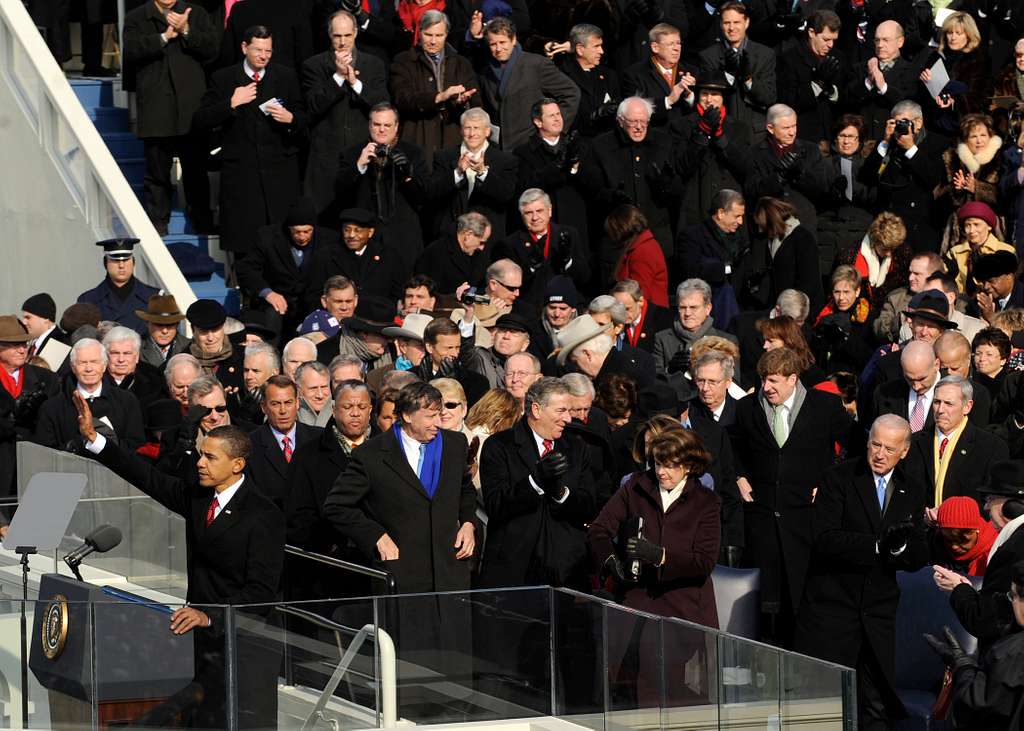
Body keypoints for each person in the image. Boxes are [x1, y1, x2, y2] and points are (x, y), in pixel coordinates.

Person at [74, 396, 284, 729]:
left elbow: (261, 592)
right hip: (202, 644)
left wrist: (207, 615)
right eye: (201, 454)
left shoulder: (263, 515)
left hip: (246, 646)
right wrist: (96, 441)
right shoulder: (199, 498)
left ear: (237, 465)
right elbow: (147, 477)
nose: (200, 463)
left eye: (211, 457)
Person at [794, 414, 928, 729]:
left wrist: (899, 549)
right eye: (875, 445)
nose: (880, 454)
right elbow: (824, 538)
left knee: (875, 706)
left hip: (878, 614)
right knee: (827, 705)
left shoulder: (912, 488)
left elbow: (919, 551)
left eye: (889, 449)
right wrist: (879, 546)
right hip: (833, 611)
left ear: (904, 451)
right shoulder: (838, 478)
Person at [730, 346, 854, 645]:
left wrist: (829, 483)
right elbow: (733, 448)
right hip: (762, 518)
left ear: (793, 379)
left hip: (806, 518)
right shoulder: (748, 408)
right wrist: (739, 477)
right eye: (763, 380)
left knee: (802, 595)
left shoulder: (825, 406)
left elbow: (854, 447)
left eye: (773, 380)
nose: (766, 387)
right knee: (764, 602)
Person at [323, 380, 476, 593]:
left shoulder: (455, 443)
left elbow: (465, 488)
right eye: (430, 417)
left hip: (449, 573)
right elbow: (336, 506)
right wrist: (376, 536)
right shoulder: (371, 455)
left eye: (439, 415)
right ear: (407, 416)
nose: (438, 424)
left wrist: (468, 522)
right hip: (402, 575)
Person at [193, 25, 306, 261]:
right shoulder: (223, 78)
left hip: (279, 177)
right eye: (258, 50)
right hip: (242, 179)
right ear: (244, 47)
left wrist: (291, 118)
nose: (264, 56)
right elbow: (200, 120)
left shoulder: (285, 76)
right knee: (246, 248)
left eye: (268, 51)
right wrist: (231, 103)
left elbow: (305, 119)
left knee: (282, 248)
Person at [478, 377, 595, 588]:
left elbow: (589, 505)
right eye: (561, 411)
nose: (568, 419)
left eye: (569, 411)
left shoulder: (577, 448)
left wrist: (562, 494)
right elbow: (496, 505)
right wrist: (535, 482)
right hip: (515, 571)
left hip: (565, 570)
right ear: (537, 409)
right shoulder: (500, 446)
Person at [122, 0, 218, 234]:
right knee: (157, 171)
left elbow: (212, 49)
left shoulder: (196, 13)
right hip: (156, 105)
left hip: (190, 105)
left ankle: (202, 219)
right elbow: (132, 51)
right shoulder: (137, 17)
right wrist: (164, 37)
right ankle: (158, 220)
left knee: (196, 169)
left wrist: (186, 31)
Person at [286, 379, 375, 598]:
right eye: (347, 407)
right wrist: (329, 548)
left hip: (377, 563)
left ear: (370, 410)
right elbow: (297, 513)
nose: (355, 413)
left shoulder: (387, 449)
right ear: (334, 410)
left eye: (361, 407)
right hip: (327, 567)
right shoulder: (309, 454)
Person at [301, 10, 388, 219]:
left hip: (362, 154)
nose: (342, 42)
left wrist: (355, 84)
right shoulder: (313, 66)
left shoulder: (374, 64)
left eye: (347, 35)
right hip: (325, 159)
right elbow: (313, 106)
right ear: (329, 36)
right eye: (337, 36)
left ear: (356, 33)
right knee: (325, 221)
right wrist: (338, 78)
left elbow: (382, 105)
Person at [934, 459, 1024, 657]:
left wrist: (958, 589)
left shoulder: (1013, 550)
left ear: (1011, 506)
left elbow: (986, 620)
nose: (985, 508)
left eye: (990, 499)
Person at [926, 561, 1024, 729]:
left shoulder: (1012, 654)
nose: (1011, 601)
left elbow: (976, 708)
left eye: (1012, 596)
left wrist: (963, 667)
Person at [584, 97, 679, 258]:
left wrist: (666, 185)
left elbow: (678, 190)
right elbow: (592, 190)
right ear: (620, 121)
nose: (639, 127)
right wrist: (612, 197)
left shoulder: (664, 143)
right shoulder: (600, 146)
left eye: (644, 122)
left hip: (656, 238)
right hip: (617, 238)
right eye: (633, 122)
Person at [235, 197, 339, 341]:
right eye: (297, 232)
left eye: (307, 231)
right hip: (276, 299)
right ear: (288, 228)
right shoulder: (267, 237)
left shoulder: (329, 239)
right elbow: (246, 269)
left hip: (313, 300)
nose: (302, 237)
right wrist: (268, 293)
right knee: (271, 318)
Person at [389, 10, 481, 166]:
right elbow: (402, 98)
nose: (433, 41)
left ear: (446, 35)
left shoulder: (461, 63)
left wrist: (463, 102)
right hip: (416, 138)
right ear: (420, 32)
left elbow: (477, 104)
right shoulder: (403, 61)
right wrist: (439, 97)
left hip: (453, 139)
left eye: (439, 36)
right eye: (428, 34)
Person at [902, 376, 1008, 508]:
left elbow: (992, 502)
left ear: (967, 407)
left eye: (948, 403)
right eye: (936, 402)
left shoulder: (991, 447)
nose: (940, 410)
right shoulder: (914, 443)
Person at [338, 103, 430, 253]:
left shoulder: (413, 153)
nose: (381, 129)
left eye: (387, 125)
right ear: (369, 125)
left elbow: (423, 197)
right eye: (377, 124)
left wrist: (408, 175)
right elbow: (341, 194)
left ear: (396, 126)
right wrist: (359, 165)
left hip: (403, 238)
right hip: (366, 237)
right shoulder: (352, 153)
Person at [476, 17, 580, 151]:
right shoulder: (485, 72)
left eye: (502, 42)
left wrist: (552, 128)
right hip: (500, 148)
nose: (498, 48)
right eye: (493, 44)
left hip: (532, 146)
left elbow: (571, 93)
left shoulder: (536, 64)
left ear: (513, 40)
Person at [858, 100, 946, 253]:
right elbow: (866, 177)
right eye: (895, 122)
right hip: (889, 227)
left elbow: (933, 179)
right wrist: (885, 142)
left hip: (920, 226)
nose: (899, 127)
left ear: (918, 123)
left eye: (904, 122)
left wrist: (910, 148)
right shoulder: (886, 145)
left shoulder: (937, 143)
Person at [35, 338, 146, 453]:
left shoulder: (127, 401)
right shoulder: (52, 407)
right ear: (73, 367)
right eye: (82, 363)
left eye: (94, 362)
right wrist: (77, 446)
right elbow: (45, 452)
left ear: (104, 366)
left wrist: (105, 445)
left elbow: (137, 445)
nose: (89, 368)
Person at [744, 104, 834, 241]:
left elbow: (822, 188)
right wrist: (778, 177)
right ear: (770, 128)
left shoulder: (810, 150)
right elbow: (752, 190)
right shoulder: (755, 153)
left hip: (804, 226)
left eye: (794, 126)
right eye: (786, 128)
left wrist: (800, 173)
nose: (792, 132)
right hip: (769, 228)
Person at [427, 107, 519, 241]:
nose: (471, 133)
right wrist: (458, 172)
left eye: (476, 128)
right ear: (461, 130)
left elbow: (506, 194)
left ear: (487, 131)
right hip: (452, 234)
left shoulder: (505, 160)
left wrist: (483, 172)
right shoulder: (444, 157)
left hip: (488, 238)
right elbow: (432, 191)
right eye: (467, 128)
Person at [494, 188, 590, 308]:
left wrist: (568, 261)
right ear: (521, 215)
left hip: (566, 306)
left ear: (549, 211)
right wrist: (531, 268)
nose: (535, 218)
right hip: (530, 308)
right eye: (529, 213)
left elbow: (584, 276)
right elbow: (508, 285)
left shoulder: (569, 234)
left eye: (539, 211)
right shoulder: (510, 244)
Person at [0, 316, 58, 511]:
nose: (22, 349)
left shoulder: (46, 379)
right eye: (14, 344)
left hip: (34, 467)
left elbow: (54, 423)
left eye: (24, 344)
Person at [513, 98, 591, 243]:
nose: (557, 119)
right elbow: (526, 187)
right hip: (543, 227)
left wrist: (574, 169)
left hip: (575, 220)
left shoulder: (579, 147)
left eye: (558, 114)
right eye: (551, 116)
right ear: (538, 122)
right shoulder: (524, 153)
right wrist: (556, 167)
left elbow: (590, 183)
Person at [697, 2, 776, 144]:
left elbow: (769, 97)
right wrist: (729, 75)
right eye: (727, 23)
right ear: (721, 25)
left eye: (736, 22)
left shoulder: (766, 54)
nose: (731, 28)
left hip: (756, 135)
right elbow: (711, 98)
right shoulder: (708, 56)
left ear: (746, 23)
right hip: (722, 132)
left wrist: (748, 79)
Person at [246, 375, 321, 511]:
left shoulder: (319, 438)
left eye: (288, 403)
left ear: (297, 403)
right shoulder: (250, 445)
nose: (283, 411)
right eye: (275, 404)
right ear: (264, 407)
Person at [816, 115, 877, 278]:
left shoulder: (868, 166)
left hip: (859, 232)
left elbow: (874, 197)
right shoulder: (823, 164)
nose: (846, 141)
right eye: (842, 136)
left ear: (860, 139)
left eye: (851, 136)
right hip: (828, 234)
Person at [775, 10, 845, 145]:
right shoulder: (789, 59)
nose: (830, 45)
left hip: (832, 137)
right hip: (804, 138)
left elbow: (845, 99)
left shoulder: (837, 57)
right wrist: (817, 84)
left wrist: (831, 91)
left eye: (833, 40)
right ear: (812, 33)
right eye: (826, 39)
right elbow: (788, 103)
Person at [312, 208, 409, 303]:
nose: (351, 235)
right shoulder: (326, 256)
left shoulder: (388, 256)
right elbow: (314, 295)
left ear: (370, 232)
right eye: (347, 230)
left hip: (379, 316)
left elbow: (399, 293)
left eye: (357, 230)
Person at [677, 189, 746, 323]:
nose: (741, 221)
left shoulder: (741, 239)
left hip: (737, 310)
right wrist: (725, 268)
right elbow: (691, 269)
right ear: (721, 213)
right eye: (737, 216)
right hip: (707, 314)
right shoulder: (693, 236)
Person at [841, 20, 915, 140]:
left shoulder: (911, 70)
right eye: (877, 40)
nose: (880, 45)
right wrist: (868, 82)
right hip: (861, 140)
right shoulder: (860, 69)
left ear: (900, 42)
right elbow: (846, 101)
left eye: (886, 40)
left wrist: (884, 87)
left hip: (894, 139)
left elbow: (909, 104)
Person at [750, 196, 824, 315]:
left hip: (799, 311)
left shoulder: (802, 238)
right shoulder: (772, 241)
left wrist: (794, 311)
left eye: (763, 225)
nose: (760, 230)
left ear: (772, 220)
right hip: (780, 309)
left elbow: (809, 281)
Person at [653, 279, 738, 376]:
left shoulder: (726, 341)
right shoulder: (662, 339)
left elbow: (733, 383)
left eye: (693, 307)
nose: (687, 313)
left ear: (708, 309)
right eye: (682, 307)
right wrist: (670, 370)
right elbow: (655, 381)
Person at [77, 238, 161, 333]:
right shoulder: (87, 300)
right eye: (115, 261)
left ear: (133, 263)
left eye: (126, 260)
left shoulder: (155, 298)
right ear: (106, 264)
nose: (121, 265)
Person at [621, 23, 696, 128]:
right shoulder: (635, 74)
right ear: (655, 47)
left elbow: (701, 109)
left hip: (685, 137)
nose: (677, 48)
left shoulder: (692, 71)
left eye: (678, 43)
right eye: (671, 44)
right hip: (654, 136)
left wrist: (689, 97)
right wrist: (668, 100)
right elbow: (633, 111)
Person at [560, 23, 621, 139]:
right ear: (580, 49)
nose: (601, 51)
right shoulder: (562, 76)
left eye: (601, 46)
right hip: (579, 144)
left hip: (607, 141)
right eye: (596, 46)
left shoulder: (609, 75)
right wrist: (595, 116)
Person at [811, 265, 875, 374]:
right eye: (837, 292)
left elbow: (870, 357)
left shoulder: (868, 317)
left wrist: (847, 335)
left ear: (857, 291)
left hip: (852, 381)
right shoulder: (825, 313)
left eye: (846, 292)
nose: (841, 298)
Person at [943, 202, 1015, 296]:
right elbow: (947, 281)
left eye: (976, 224)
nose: (971, 230)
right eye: (967, 225)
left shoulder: (1006, 250)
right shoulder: (955, 252)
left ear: (989, 226)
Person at [604, 205, 669, 309]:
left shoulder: (643, 250)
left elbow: (639, 293)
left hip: (648, 318)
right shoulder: (636, 247)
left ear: (620, 230)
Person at [873, 251, 943, 345]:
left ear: (934, 275)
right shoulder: (896, 298)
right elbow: (878, 331)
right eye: (910, 272)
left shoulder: (950, 299)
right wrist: (899, 320)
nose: (910, 277)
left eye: (917, 274)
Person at [414, 212, 491, 295]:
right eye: (481, 242)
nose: (482, 248)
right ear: (468, 235)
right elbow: (429, 292)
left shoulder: (477, 255)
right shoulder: (436, 253)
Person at [103, 326, 168, 415]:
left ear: (137, 356)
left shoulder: (155, 381)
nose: (121, 359)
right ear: (106, 355)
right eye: (115, 353)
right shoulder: (96, 381)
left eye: (127, 353)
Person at [185, 299, 245, 394]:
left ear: (223, 328)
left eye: (215, 330)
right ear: (193, 330)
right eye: (203, 331)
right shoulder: (181, 362)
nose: (210, 338)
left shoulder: (244, 357)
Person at [930, 495, 999, 577]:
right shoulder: (936, 546)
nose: (954, 547)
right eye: (948, 540)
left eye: (962, 540)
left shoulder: (994, 554)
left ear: (976, 530)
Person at [757, 314, 825, 387]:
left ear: (788, 342)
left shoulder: (813, 375)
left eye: (770, 341)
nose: (765, 346)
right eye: (765, 341)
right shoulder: (764, 371)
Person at [611, 279, 672, 354]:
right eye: (619, 309)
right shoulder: (613, 320)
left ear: (641, 302)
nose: (622, 314)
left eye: (627, 309)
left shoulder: (663, 318)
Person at [136, 294, 189, 369]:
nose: (164, 331)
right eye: (159, 325)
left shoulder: (190, 346)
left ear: (177, 325)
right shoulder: (135, 347)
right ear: (147, 323)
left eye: (170, 325)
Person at [970, 251, 1024, 323]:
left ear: (1009, 277)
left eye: (991, 281)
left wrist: (992, 318)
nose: (986, 287)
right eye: (983, 282)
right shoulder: (980, 301)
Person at [300, 276, 359, 341]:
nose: (344, 307)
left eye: (348, 301)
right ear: (324, 301)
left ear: (356, 300)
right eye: (338, 302)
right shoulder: (314, 323)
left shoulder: (365, 328)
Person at [690, 350, 739, 426]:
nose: (705, 388)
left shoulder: (741, 413)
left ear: (728, 382)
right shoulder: (687, 412)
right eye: (701, 381)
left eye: (712, 382)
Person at [973, 327, 1012, 402]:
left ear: (1003, 360)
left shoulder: (1010, 385)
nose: (982, 359)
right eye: (978, 354)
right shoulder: (971, 379)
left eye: (989, 354)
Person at [296, 361, 333, 428]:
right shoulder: (290, 415)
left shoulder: (341, 411)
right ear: (299, 390)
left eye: (324, 387)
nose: (320, 395)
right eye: (313, 388)